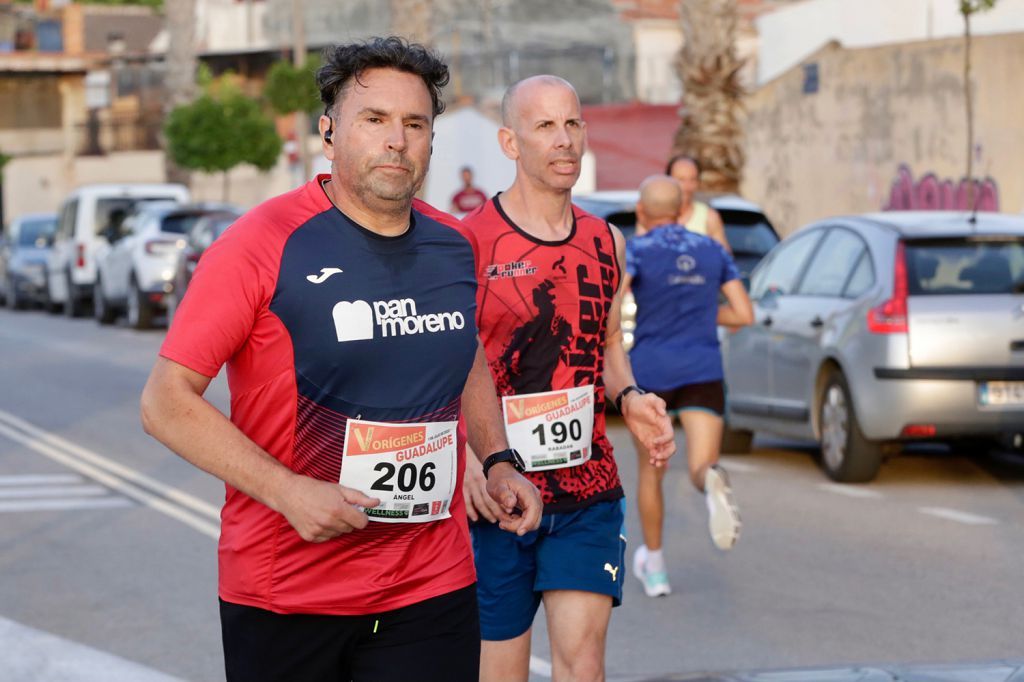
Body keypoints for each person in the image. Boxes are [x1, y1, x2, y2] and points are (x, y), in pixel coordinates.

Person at [139, 37, 541, 682]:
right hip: (290, 590)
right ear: (329, 133)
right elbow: (165, 402)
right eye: (374, 119)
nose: (396, 140)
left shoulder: (451, 247)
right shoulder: (260, 245)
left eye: (414, 124)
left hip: (430, 586)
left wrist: (496, 461)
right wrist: (287, 491)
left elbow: (462, 352)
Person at [460, 75, 676, 682]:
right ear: (510, 141)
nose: (565, 141)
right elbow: (449, 364)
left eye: (573, 124)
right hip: (498, 498)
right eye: (545, 126)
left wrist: (629, 397)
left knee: (584, 666)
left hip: (588, 491)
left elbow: (605, 343)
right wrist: (470, 458)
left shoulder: (608, 241)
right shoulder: (468, 244)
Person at [624, 175, 753, 598]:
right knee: (700, 465)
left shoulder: (637, 250)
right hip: (703, 369)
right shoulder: (713, 250)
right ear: (682, 210)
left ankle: (656, 567)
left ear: (642, 213)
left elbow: (613, 304)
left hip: (651, 373)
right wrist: (701, 316)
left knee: (651, 471)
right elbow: (743, 313)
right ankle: (710, 480)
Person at [662, 154, 731, 252]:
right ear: (668, 180)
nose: (687, 187)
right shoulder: (654, 214)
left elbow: (725, 259)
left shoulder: (709, 218)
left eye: (692, 180)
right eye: (681, 179)